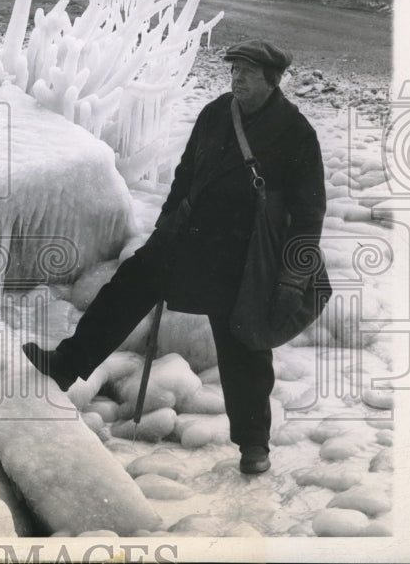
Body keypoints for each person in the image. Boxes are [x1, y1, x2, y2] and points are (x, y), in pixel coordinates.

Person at [23, 39, 328, 475]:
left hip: (244, 260)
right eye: (233, 69)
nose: (236, 78)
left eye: (246, 72)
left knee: (243, 349)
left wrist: (291, 281)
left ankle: (253, 446)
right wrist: (165, 229)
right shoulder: (217, 113)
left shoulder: (296, 132)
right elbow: (186, 175)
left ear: (272, 80)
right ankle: (67, 365)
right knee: (126, 287)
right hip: (188, 241)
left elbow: (308, 214)